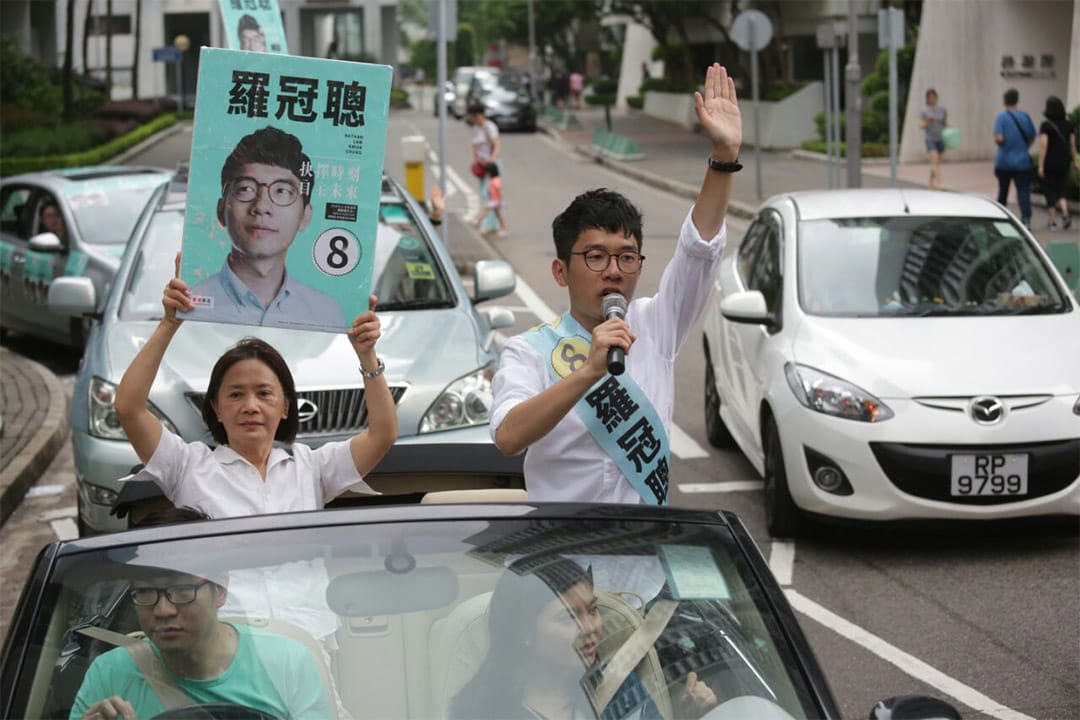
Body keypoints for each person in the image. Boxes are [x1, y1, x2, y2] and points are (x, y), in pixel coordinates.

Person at [489, 63, 742, 505]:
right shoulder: (528, 351)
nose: (613, 270)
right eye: (595, 256)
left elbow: (698, 250)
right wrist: (588, 371)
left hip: (642, 556)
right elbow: (508, 436)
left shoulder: (656, 325)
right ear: (560, 271)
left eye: (627, 257)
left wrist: (723, 160)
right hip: (561, 559)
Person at [115, 252, 397, 520]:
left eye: (264, 394)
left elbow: (382, 435)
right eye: (236, 394)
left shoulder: (311, 469)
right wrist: (169, 323)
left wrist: (367, 355)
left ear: (285, 407)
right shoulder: (187, 466)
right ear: (216, 407)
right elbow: (129, 408)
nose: (250, 407)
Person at [450, 558, 716, 720]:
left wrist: (686, 716)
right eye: (568, 618)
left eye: (592, 610)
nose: (590, 627)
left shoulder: (621, 688)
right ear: (524, 632)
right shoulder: (482, 711)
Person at [69, 566, 333, 720]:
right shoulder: (109, 675)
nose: (163, 610)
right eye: (146, 592)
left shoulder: (287, 662)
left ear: (220, 590)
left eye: (182, 590)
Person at [188, 126, 347, 330]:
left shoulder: (327, 314)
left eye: (282, 191)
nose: (261, 207)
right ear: (221, 210)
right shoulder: (190, 306)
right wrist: (170, 323)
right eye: (246, 189)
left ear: (305, 216)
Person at [993, 87, 1037, 228]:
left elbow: (999, 138)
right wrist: (1022, 148)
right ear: (1017, 100)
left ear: (1005, 101)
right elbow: (1031, 137)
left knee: (1003, 190)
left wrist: (1001, 141)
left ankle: (999, 219)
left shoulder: (1001, 117)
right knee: (1023, 190)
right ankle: (1026, 218)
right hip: (1022, 161)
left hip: (1004, 161)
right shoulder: (1025, 116)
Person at [1037, 95, 1078, 232]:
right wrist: (1075, 161)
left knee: (1050, 190)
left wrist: (1041, 165)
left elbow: (1043, 146)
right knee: (1061, 189)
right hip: (1064, 162)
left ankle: (1052, 222)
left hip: (1050, 162)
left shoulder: (1046, 126)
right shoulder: (1068, 125)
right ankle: (1065, 213)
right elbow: (1072, 145)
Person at [466, 103, 508, 236]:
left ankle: (488, 225)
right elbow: (475, 146)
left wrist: (492, 158)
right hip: (481, 166)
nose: (472, 120)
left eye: (473, 117)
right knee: (487, 196)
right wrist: (474, 159)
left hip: (490, 166)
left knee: (489, 195)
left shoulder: (489, 127)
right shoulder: (478, 129)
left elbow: (497, 143)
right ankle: (494, 224)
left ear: (478, 115)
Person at [920, 89, 947, 190]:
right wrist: (928, 121)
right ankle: (939, 183)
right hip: (930, 139)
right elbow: (921, 125)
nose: (932, 99)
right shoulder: (925, 110)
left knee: (936, 163)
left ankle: (930, 182)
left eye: (933, 97)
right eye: (929, 97)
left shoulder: (942, 109)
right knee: (935, 160)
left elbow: (945, 123)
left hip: (941, 138)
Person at [479, 162, 507, 238]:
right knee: (498, 215)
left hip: (495, 201)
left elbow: (499, 191)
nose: (487, 174)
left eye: (487, 172)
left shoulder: (495, 180)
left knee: (486, 209)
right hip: (494, 200)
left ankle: (477, 221)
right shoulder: (494, 179)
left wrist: (500, 201)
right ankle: (504, 229)